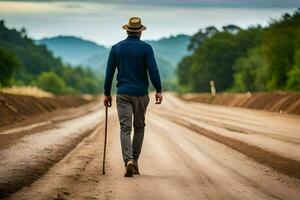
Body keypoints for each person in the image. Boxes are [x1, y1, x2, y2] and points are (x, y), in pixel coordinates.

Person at [103, 17, 163, 177]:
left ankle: (127, 160)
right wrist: (158, 89)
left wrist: (106, 94)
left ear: (127, 30)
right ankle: (135, 162)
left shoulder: (116, 48)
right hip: (141, 94)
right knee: (139, 127)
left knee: (125, 128)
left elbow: (109, 73)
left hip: (123, 94)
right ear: (140, 32)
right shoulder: (146, 49)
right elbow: (153, 71)